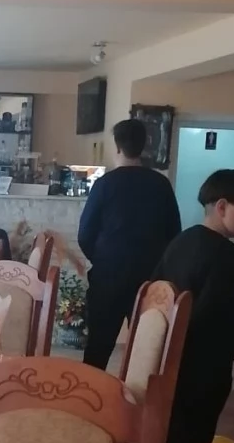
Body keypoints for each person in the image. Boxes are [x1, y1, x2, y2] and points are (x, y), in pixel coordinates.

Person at [154, 168, 234, 443]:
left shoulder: (180, 241)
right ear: (222, 206)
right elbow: (219, 315)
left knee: (176, 441)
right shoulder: (226, 255)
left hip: (169, 360)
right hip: (203, 368)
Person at [77, 119, 181, 369]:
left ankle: (91, 393)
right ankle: (138, 392)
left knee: (98, 348)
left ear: (117, 147)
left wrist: (102, 259)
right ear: (144, 146)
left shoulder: (104, 184)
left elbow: (85, 234)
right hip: (150, 278)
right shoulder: (161, 184)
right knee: (147, 351)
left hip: (109, 276)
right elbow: (174, 233)